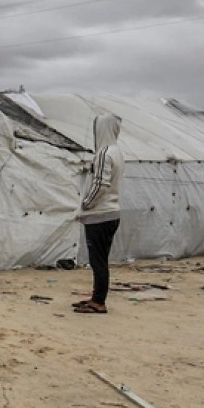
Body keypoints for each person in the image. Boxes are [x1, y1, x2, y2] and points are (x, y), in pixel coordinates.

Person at [74, 114, 124, 315]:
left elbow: (100, 184)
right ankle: (96, 297)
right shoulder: (118, 152)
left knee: (98, 261)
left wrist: (86, 204)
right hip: (111, 213)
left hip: (100, 214)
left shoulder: (104, 154)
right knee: (100, 259)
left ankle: (99, 302)